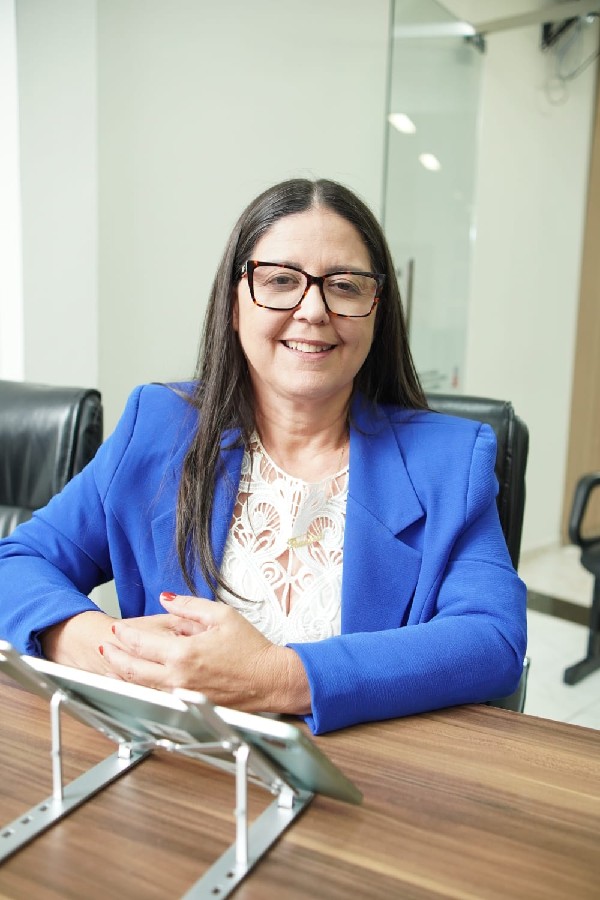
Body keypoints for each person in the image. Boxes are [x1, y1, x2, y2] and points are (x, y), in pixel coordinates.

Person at [0, 178, 526, 734]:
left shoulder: (450, 460)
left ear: (377, 311)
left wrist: (274, 676)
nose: (313, 310)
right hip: (182, 765)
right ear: (234, 305)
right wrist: (105, 647)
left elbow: (492, 638)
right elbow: (17, 562)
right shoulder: (157, 426)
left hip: (362, 775)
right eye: (280, 280)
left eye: (345, 286)